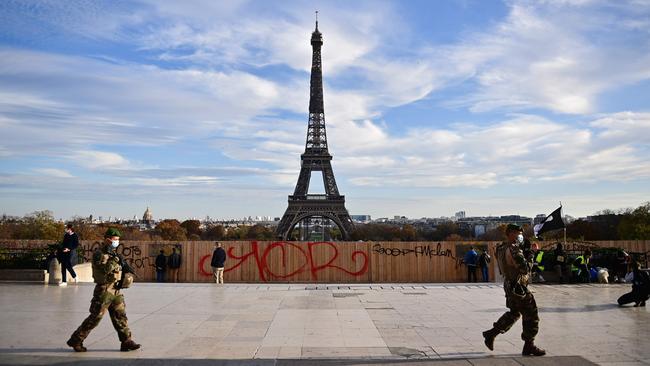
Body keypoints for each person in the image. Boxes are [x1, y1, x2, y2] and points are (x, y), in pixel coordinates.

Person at [66, 228, 140, 352]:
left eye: (118, 240)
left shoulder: (114, 253)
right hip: (104, 290)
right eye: (115, 239)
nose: (117, 242)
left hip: (116, 290)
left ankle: (126, 341)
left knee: (120, 316)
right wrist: (115, 260)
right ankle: (76, 340)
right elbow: (105, 269)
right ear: (107, 240)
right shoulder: (99, 254)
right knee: (95, 317)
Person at [482, 224, 546, 357]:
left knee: (514, 313)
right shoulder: (514, 249)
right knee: (532, 314)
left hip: (509, 284)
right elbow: (525, 269)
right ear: (510, 233)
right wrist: (530, 255)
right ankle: (529, 345)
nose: (520, 236)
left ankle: (491, 333)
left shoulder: (501, 248)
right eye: (518, 233)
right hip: (518, 287)